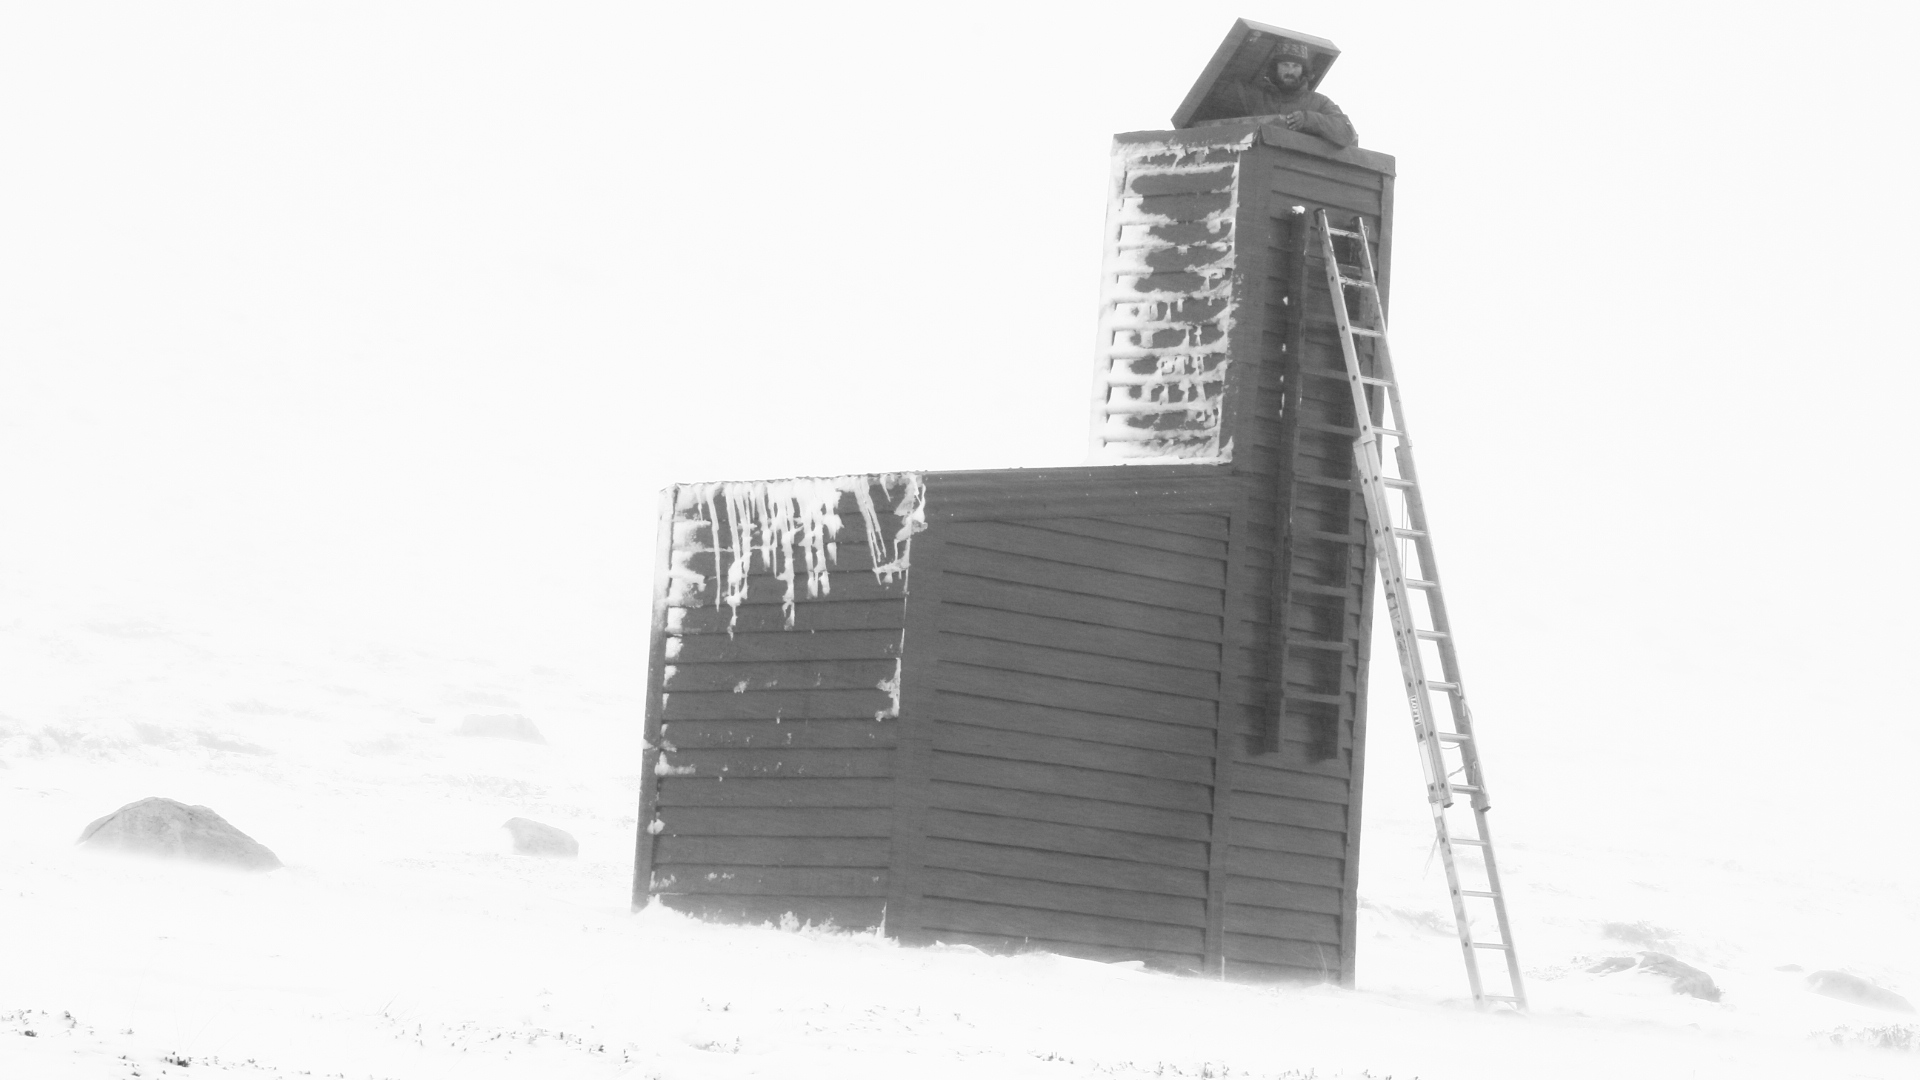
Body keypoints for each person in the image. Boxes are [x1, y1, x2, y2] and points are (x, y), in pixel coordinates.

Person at [1221, 40, 1356, 148]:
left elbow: (1347, 133)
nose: (1290, 71)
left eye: (1296, 66)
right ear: (1275, 68)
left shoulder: (1319, 102)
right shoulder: (1256, 97)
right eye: (1285, 64)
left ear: (1304, 70)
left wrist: (1308, 119)